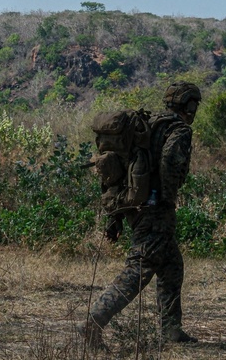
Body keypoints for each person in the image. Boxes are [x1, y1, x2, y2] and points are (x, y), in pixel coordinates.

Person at [82, 82, 201, 348]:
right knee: (137, 270)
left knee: (172, 267)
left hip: (137, 208)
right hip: (156, 210)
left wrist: (115, 217)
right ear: (189, 105)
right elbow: (171, 161)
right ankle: (93, 322)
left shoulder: (148, 125)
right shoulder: (178, 129)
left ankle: (171, 330)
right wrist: (167, 199)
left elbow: (118, 172)